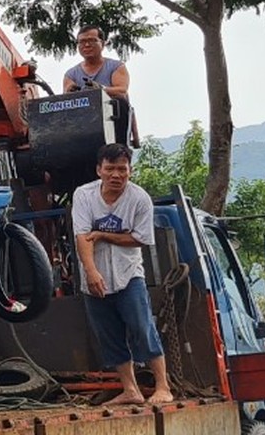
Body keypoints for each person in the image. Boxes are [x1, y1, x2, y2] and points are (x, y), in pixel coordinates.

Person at [72, 143, 173, 405]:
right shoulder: (83, 195)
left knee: (142, 327)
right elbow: (82, 236)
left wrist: (105, 235)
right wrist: (91, 272)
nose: (116, 175)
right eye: (110, 169)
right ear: (99, 170)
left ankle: (163, 386)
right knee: (109, 334)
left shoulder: (139, 199)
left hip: (129, 276)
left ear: (130, 171)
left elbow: (141, 239)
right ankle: (131, 390)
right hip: (94, 279)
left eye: (122, 169)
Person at [64, 25, 138, 147]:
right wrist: (71, 91)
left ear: (102, 44)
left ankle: (119, 148)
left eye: (92, 40)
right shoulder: (71, 74)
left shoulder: (116, 67)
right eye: (82, 42)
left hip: (113, 121)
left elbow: (121, 91)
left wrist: (99, 90)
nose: (87, 45)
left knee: (119, 102)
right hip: (84, 123)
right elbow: (66, 100)